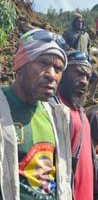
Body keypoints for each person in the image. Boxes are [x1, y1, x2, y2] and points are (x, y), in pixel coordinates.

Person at [0, 29, 72, 200]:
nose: (51, 75)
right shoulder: (3, 107)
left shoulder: (57, 116)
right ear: (20, 65)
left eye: (58, 68)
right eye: (43, 63)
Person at [56, 50, 98, 200]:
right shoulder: (55, 109)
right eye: (78, 73)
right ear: (62, 72)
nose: (84, 81)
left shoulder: (81, 112)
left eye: (88, 77)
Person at [63, 13, 98, 104]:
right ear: (74, 22)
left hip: (86, 62)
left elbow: (88, 47)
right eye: (78, 21)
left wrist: (89, 56)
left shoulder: (86, 34)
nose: (80, 23)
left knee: (95, 77)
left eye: (81, 22)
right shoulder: (68, 33)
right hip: (73, 62)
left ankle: (90, 98)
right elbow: (64, 46)